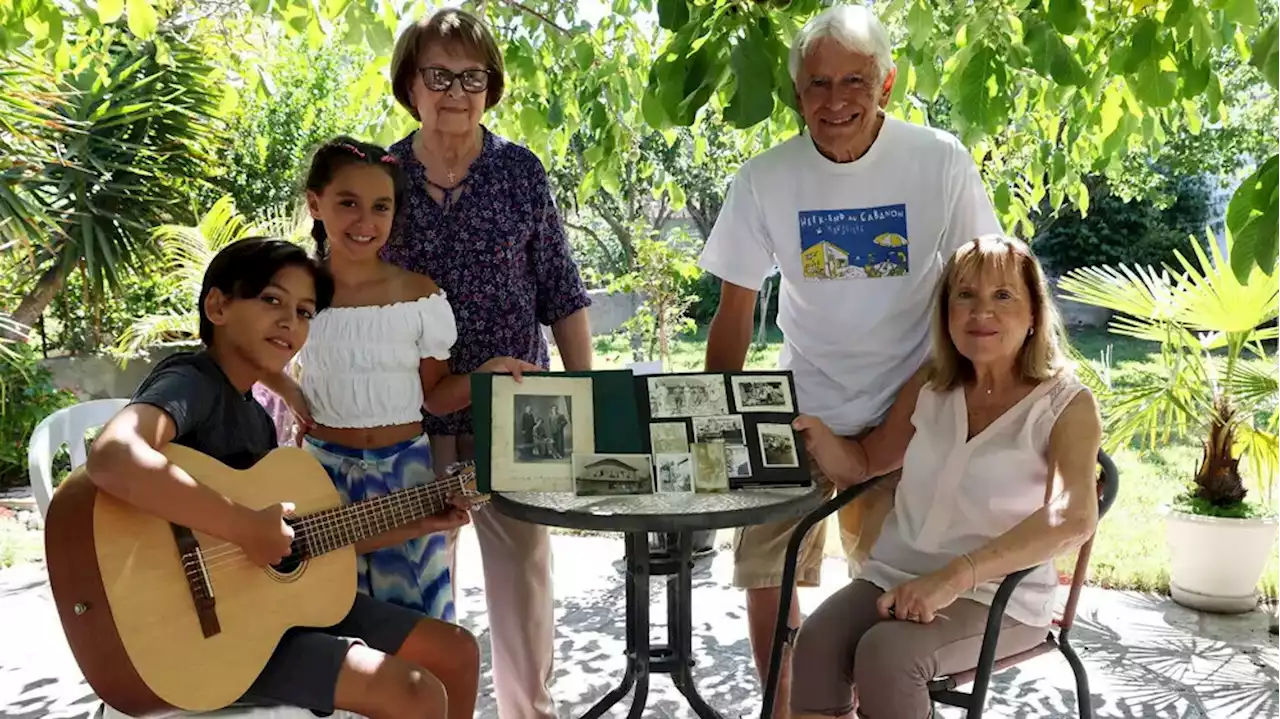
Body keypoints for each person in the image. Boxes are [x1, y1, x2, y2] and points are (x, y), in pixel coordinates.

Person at [696, 5, 1003, 713]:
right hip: (801, 403)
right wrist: (714, 419)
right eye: (817, 85)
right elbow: (733, 313)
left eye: (855, 82)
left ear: (887, 84)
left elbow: (980, 295)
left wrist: (909, 421)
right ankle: (784, 706)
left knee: (888, 583)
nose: (835, 102)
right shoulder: (765, 178)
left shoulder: (940, 161)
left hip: (912, 405)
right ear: (797, 92)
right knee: (769, 570)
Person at [84, 237, 481, 719]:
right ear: (218, 305)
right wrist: (244, 527)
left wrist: (422, 521)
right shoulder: (194, 381)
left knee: (457, 653)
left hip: (273, 612)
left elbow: (300, 544)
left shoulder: (257, 418)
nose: (290, 321)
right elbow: (112, 457)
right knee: (415, 692)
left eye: (306, 312)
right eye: (272, 300)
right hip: (215, 637)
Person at [788, 235, 1103, 717]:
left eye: (1003, 296)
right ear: (946, 310)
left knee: (888, 656)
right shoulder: (930, 384)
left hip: (999, 595)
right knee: (816, 644)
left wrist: (954, 578)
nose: (982, 312)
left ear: (1035, 311)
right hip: (894, 573)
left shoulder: (1066, 403)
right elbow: (866, 465)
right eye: (965, 295)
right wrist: (814, 433)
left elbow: (1074, 516)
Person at [383, 8, 594, 717]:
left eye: (473, 76)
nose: (456, 90)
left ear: (492, 86)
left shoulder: (518, 172)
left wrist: (585, 391)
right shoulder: (382, 179)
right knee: (420, 588)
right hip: (409, 417)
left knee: (525, 588)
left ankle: (526, 712)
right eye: (439, 73)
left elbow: (562, 290)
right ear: (410, 83)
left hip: (517, 411)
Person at [263, 136, 536, 623]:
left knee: (421, 628)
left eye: (380, 207)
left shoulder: (419, 296)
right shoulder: (294, 290)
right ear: (314, 203)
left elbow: (436, 398)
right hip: (321, 478)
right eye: (348, 203)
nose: (365, 221)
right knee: (327, 619)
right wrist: (289, 390)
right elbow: (244, 351)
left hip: (406, 479)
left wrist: (485, 375)